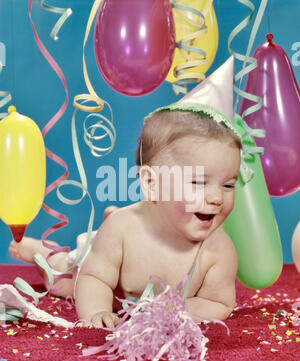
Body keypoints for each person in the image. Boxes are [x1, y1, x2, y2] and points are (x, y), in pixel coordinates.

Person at [9, 102, 242, 328]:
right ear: (152, 183)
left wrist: (174, 309)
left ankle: (102, 223)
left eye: (228, 185)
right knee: (63, 282)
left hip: (114, 255)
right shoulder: (124, 229)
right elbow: (95, 279)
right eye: (199, 182)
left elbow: (218, 302)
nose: (217, 198)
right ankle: (42, 252)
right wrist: (97, 311)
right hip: (92, 268)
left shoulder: (218, 250)